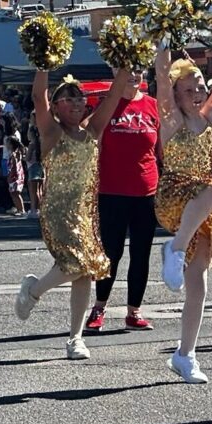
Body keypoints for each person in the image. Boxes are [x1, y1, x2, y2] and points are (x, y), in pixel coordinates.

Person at [14, 68, 130, 360]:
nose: (77, 103)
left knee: (84, 273)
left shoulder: (92, 130)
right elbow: (37, 97)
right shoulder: (51, 131)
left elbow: (114, 97)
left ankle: (75, 339)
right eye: (69, 99)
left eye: (80, 98)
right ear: (56, 106)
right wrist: (43, 63)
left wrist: (125, 63)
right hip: (57, 210)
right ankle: (34, 291)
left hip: (86, 212)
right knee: (75, 265)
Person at [154, 42, 212, 384]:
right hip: (175, 194)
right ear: (175, 95)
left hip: (201, 209)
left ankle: (185, 354)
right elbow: (160, 76)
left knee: (199, 283)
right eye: (189, 90)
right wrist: (160, 40)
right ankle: (173, 249)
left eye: (201, 86)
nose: (199, 93)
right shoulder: (172, 119)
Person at [85, 70, 161, 333]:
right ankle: (99, 307)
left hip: (146, 192)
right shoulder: (108, 104)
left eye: (138, 70)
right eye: (127, 71)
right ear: (116, 73)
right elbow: (88, 134)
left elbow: (160, 150)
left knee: (141, 254)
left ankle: (134, 312)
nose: (134, 75)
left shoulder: (153, 105)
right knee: (110, 253)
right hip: (112, 191)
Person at [24, 121, 43, 219]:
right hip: (39, 167)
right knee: (39, 190)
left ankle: (33, 209)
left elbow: (28, 158)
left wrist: (24, 156)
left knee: (33, 191)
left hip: (32, 168)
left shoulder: (32, 144)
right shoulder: (40, 143)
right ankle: (39, 209)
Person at [5, 136, 25, 216]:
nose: (6, 145)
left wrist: (12, 174)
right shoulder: (13, 153)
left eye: (7, 143)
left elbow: (14, 166)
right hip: (12, 175)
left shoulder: (15, 154)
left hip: (15, 175)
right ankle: (18, 209)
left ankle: (22, 210)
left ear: (11, 144)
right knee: (13, 193)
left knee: (16, 193)